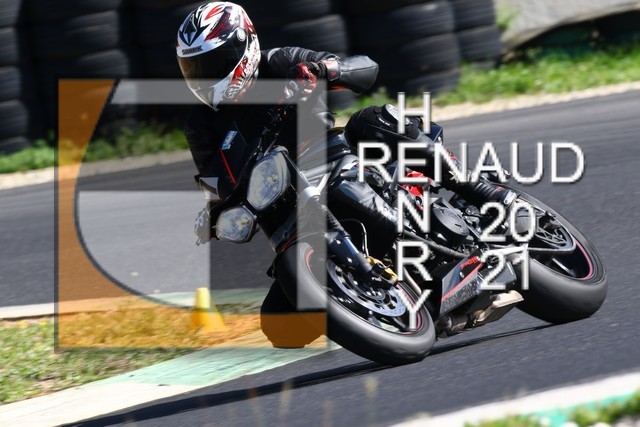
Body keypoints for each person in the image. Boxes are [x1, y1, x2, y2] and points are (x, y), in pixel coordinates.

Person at [176, 1, 516, 346]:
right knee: (280, 328)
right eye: (194, 68)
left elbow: (366, 68)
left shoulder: (279, 62)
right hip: (282, 206)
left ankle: (483, 192)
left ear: (243, 45)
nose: (203, 76)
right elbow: (215, 181)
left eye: (212, 63)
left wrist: (323, 69)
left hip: (330, 158)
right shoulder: (200, 123)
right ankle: (383, 303)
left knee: (369, 121)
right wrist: (212, 212)